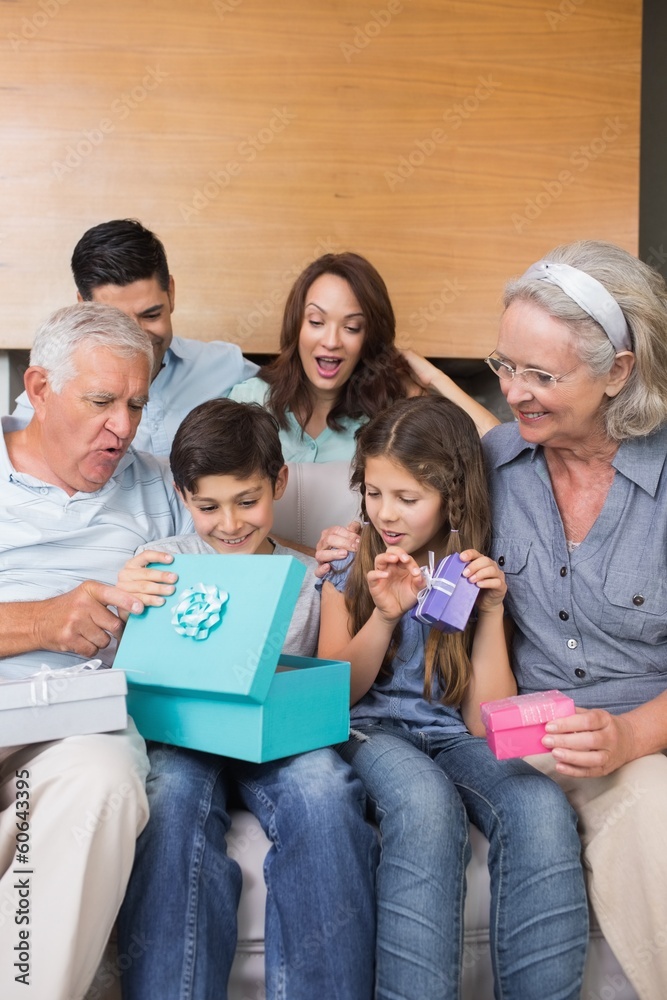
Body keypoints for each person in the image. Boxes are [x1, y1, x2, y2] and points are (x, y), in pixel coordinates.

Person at [317, 395, 589, 1000]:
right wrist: (385, 617)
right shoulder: (347, 562)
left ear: (454, 498)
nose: (386, 514)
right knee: (423, 802)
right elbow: (336, 694)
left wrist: (491, 615)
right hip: (370, 731)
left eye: (408, 499)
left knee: (540, 805)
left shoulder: (472, 572)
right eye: (374, 492)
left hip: (453, 735)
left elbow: (485, 720)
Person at [114, 398, 377, 1000]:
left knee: (325, 792)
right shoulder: (164, 564)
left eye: (247, 500)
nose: (229, 523)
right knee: (170, 796)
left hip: (280, 740)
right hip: (182, 736)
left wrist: (344, 580)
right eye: (208, 506)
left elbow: (334, 677)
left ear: (279, 483)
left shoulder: (312, 576)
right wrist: (124, 599)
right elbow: (136, 661)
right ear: (184, 497)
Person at [480, 240, 667, 1000]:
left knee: (650, 804)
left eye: (541, 376)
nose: (512, 391)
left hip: (637, 747)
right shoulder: (490, 462)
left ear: (617, 372)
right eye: (502, 366)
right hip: (523, 750)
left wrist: (627, 737)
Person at [0, 303, 190, 1000]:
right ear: (40, 387)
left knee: (106, 775)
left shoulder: (159, 488)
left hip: (66, 735)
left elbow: (230, 562)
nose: (124, 427)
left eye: (136, 404)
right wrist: (41, 622)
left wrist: (327, 561)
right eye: (102, 401)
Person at [11, 219, 258, 454]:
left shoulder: (226, 366)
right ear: (83, 308)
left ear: (170, 293)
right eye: (117, 322)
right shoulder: (51, 393)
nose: (138, 340)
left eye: (151, 315)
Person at [230, 252, 498, 462]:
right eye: (316, 322)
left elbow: (501, 453)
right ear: (296, 326)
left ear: (368, 338)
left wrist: (435, 378)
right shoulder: (250, 401)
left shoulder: (389, 417)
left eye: (351, 327)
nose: (332, 342)